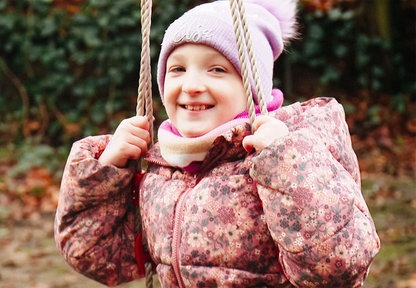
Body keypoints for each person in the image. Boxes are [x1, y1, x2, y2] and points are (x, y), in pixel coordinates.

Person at [54, 0, 380, 287]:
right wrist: (107, 170)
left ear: (255, 89)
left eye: (217, 69)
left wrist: (287, 163)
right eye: (178, 69)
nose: (192, 85)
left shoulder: (289, 153)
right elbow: (95, 256)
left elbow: (338, 269)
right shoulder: (162, 168)